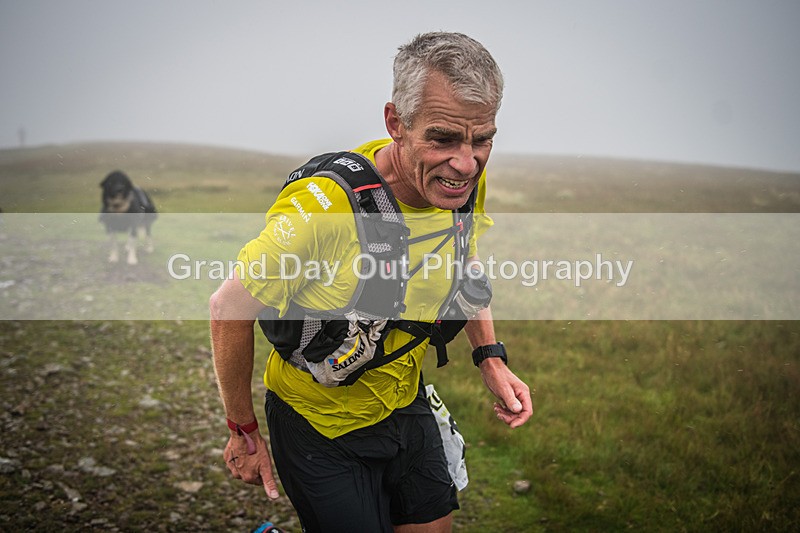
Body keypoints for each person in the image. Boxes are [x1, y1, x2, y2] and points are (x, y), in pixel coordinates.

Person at [210, 32, 533, 533]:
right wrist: (242, 431)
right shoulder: (329, 207)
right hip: (318, 423)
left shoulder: (459, 183)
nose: (466, 163)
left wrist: (490, 357)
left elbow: (462, 263)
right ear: (395, 124)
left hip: (406, 404)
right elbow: (228, 306)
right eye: (443, 138)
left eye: (482, 139)